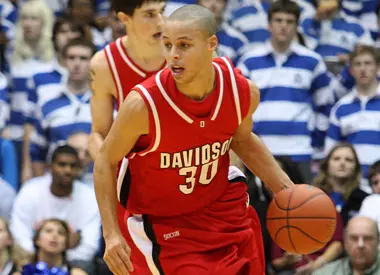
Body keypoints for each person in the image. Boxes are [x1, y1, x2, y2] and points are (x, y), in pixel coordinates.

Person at [93, 4, 295, 275]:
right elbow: (105, 160)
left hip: (224, 209)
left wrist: (286, 190)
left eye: (184, 46)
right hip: (169, 225)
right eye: (167, 45)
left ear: (211, 44)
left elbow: (243, 140)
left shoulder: (241, 91)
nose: (173, 55)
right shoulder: (143, 104)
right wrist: (111, 234)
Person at [89, 0, 167, 262]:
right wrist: (105, 167)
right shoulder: (104, 64)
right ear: (125, 18)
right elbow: (99, 133)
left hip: (184, 170)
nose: (161, 22)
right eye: (149, 14)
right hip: (134, 184)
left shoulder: (185, 50)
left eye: (162, 11)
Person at [313, 216, 380, 275]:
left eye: (367, 238)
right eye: (354, 238)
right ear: (345, 241)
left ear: (378, 241)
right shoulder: (325, 273)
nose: (360, 244)